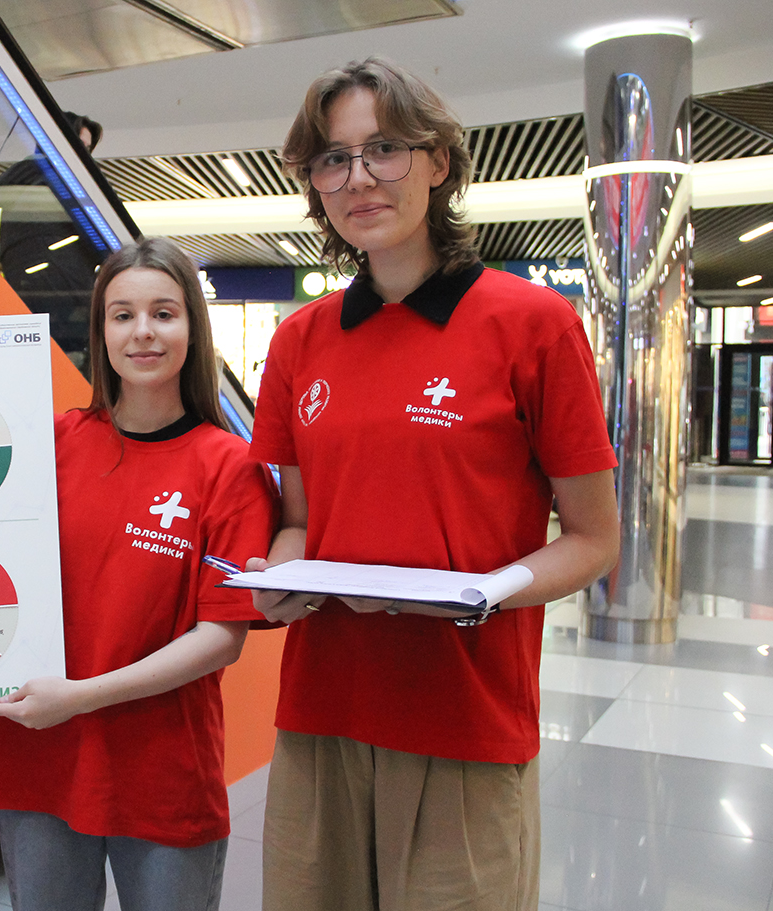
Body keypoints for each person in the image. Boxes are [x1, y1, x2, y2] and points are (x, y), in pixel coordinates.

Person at [245, 58, 621, 911]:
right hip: (323, 708)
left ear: (439, 161)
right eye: (333, 159)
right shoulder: (300, 340)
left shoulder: (532, 325)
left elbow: (595, 538)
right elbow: (298, 520)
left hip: (464, 714)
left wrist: (485, 590)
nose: (359, 178)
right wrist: (280, 573)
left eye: (384, 148)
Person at [0, 237, 278, 911]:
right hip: (41, 753)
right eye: (122, 315)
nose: (143, 331)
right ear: (101, 332)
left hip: (160, 768)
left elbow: (221, 637)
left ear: (193, 328)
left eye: (164, 313)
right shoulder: (49, 441)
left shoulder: (229, 466)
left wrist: (81, 696)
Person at [0, 111, 105, 371]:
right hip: (58, 311)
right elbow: (103, 245)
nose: (84, 156)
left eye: (88, 149)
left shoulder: (33, 188)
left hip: (59, 311)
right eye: (78, 146)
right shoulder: (51, 189)